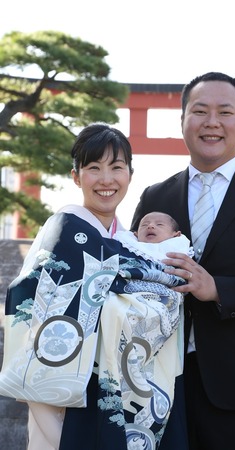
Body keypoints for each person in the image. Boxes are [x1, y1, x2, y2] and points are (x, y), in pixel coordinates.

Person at [131, 71, 235, 450]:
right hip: (158, 385)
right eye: (200, 111)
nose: (211, 122)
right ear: (183, 121)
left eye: (224, 112)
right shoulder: (154, 196)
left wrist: (219, 289)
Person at [0, 123, 189, 450]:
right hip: (65, 401)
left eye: (117, 168)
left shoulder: (130, 242)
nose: (106, 179)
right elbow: (26, 298)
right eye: (93, 168)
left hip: (127, 393)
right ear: (76, 176)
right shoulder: (66, 227)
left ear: (130, 174)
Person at [114, 211, 194, 262]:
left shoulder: (180, 250)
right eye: (144, 225)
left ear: (176, 234)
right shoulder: (128, 246)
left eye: (159, 224)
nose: (150, 226)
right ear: (136, 234)